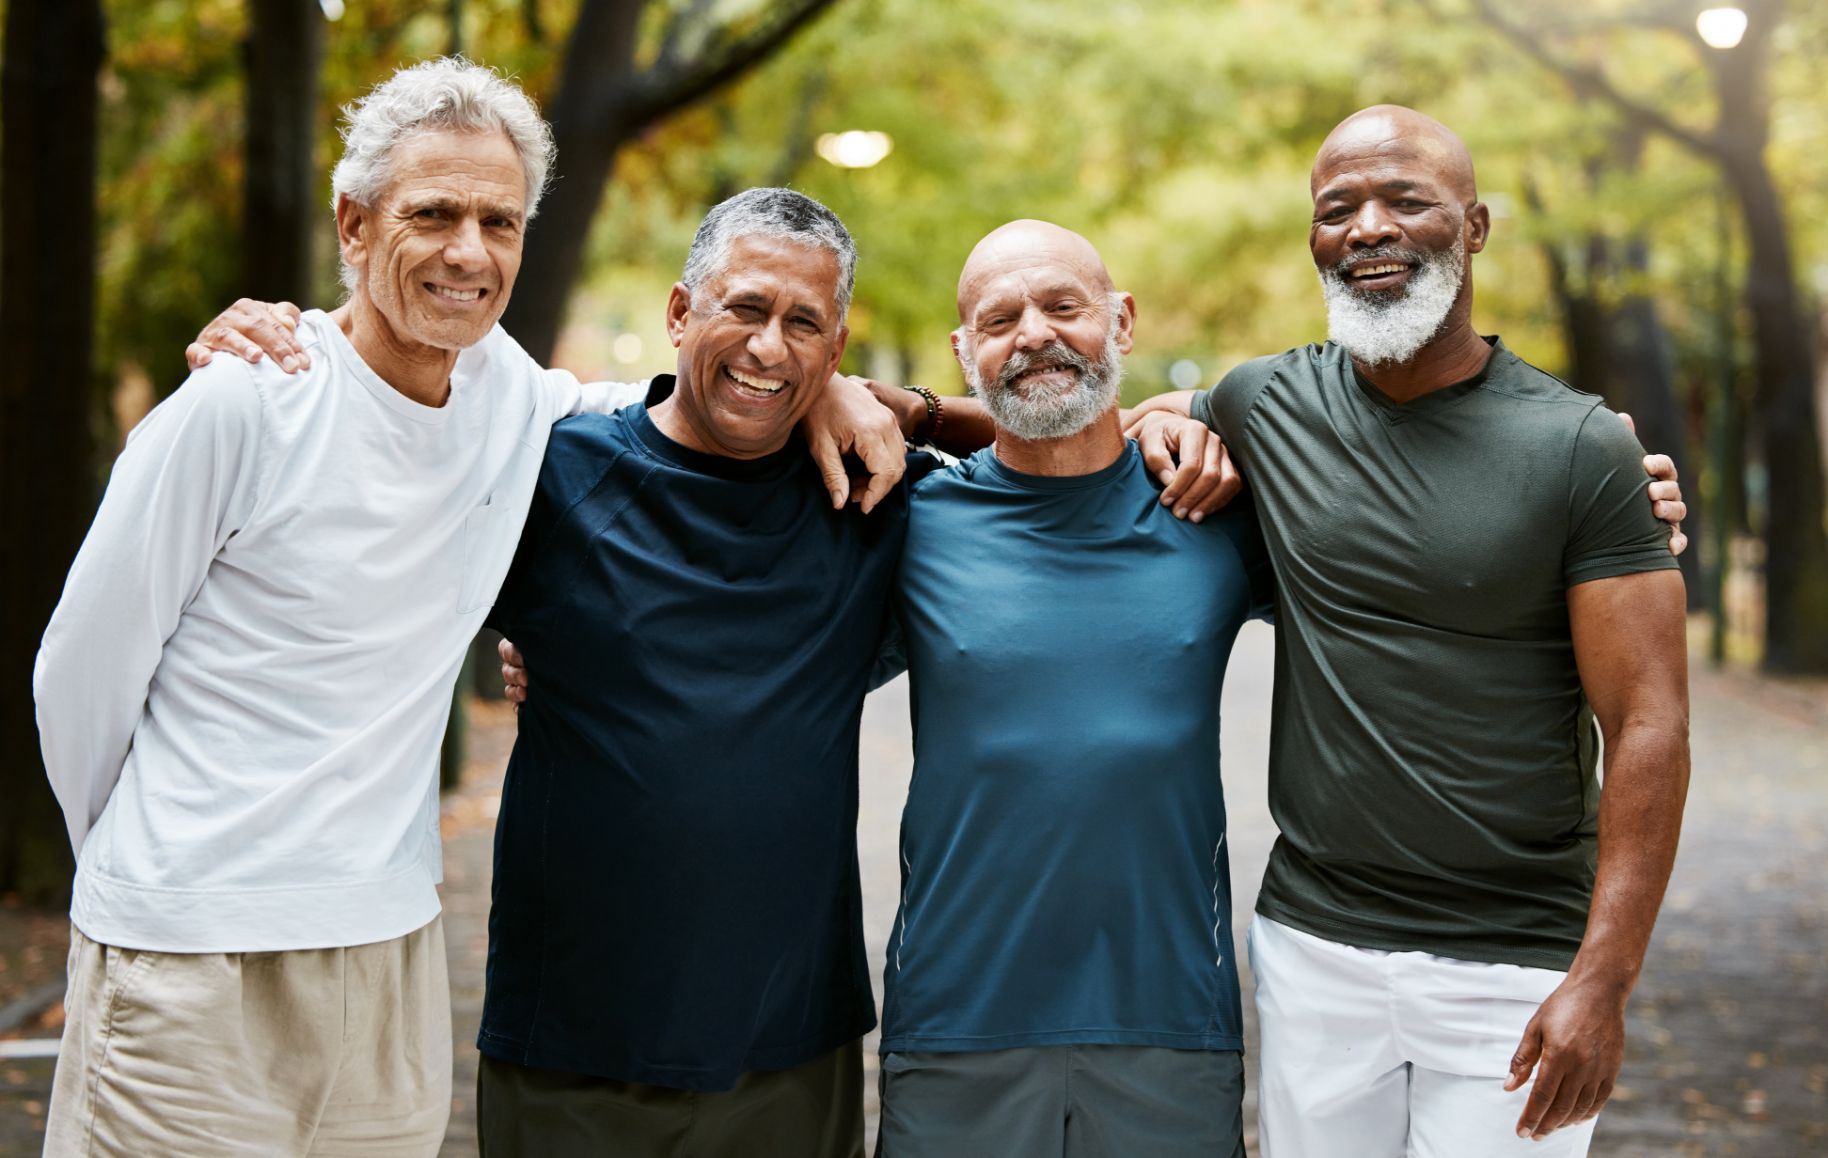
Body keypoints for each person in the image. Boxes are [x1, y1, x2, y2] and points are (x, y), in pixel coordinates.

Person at [1126, 104, 1691, 1156]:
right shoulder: (1263, 401)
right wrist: (907, 410)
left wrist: (1604, 981)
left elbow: (1649, 722)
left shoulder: (1577, 447)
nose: (1367, 226)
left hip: (1515, 962)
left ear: (1473, 227)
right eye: (1337, 209)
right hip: (1311, 946)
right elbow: (1070, 437)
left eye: (1405, 200)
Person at [860, 219, 1271, 1157]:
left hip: (1169, 1017)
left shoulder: (1211, 506)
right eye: (998, 320)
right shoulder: (909, 520)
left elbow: (1404, 567)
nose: (1034, 334)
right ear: (966, 354)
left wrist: (1613, 508)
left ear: (1121, 321)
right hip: (958, 1014)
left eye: (1063, 306)